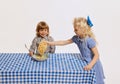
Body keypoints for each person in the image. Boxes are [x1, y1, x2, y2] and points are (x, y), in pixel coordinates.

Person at [46, 16, 105, 84]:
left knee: (96, 81)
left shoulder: (89, 40)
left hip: (94, 63)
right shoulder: (76, 38)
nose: (74, 31)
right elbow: (64, 42)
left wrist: (91, 65)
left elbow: (97, 55)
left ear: (83, 29)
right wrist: (49, 43)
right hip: (85, 62)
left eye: (76, 29)